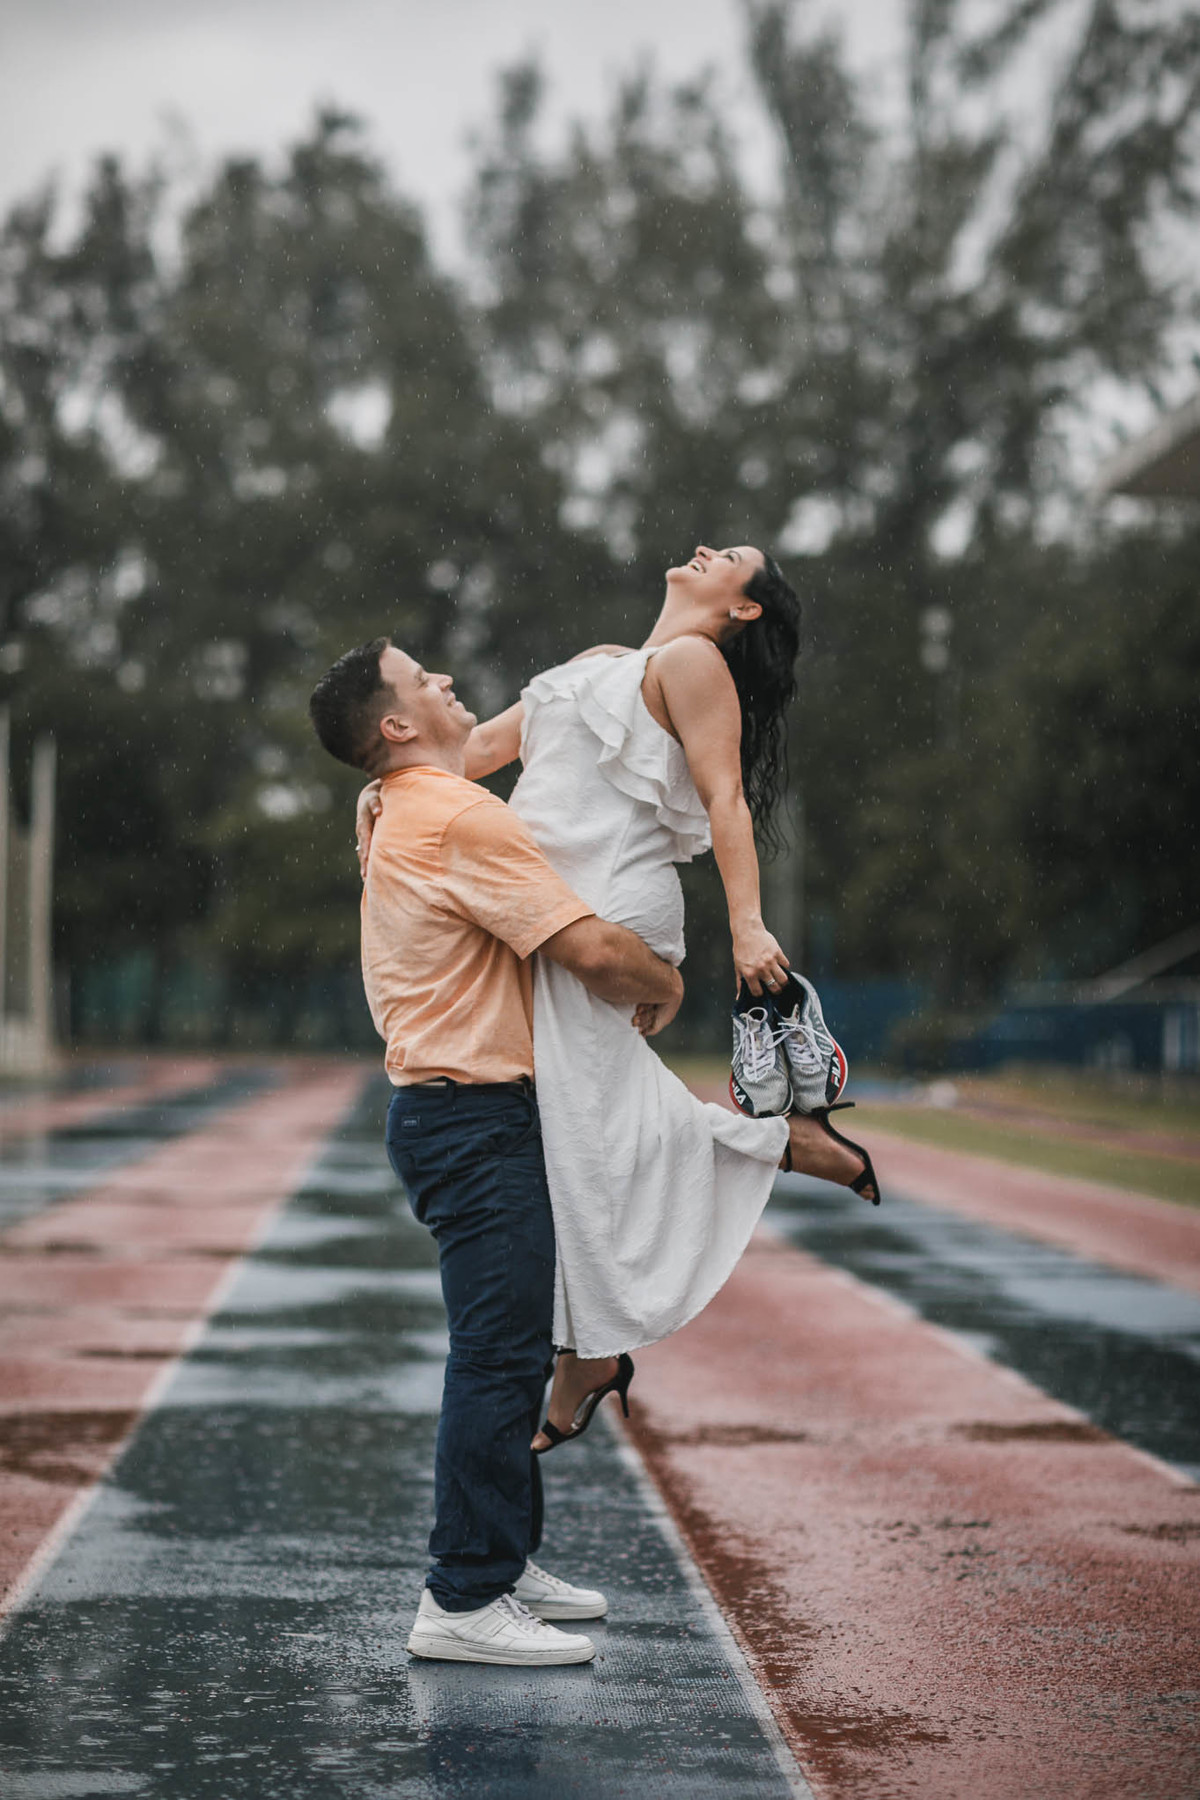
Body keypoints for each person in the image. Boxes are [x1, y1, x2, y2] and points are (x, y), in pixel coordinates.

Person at [356, 544, 881, 1453]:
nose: (709, 549)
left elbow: (726, 803)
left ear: (744, 610)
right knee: (574, 1129)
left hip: (604, 907)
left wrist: (748, 926)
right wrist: (383, 787)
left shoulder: (693, 662)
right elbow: (476, 751)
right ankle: (597, 1342)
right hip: (544, 907)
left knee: (575, 1130)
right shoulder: (600, 663)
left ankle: (596, 1348)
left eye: (735, 560)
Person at [309, 637, 685, 1666]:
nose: (442, 679)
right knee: (498, 1354)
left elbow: (489, 739)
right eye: (421, 677)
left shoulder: (391, 802)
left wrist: (606, 666)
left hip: (450, 1117)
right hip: (473, 1119)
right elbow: (592, 948)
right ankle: (463, 1599)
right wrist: (669, 981)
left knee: (513, 1349)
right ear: (393, 725)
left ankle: (501, 1560)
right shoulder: (457, 819)